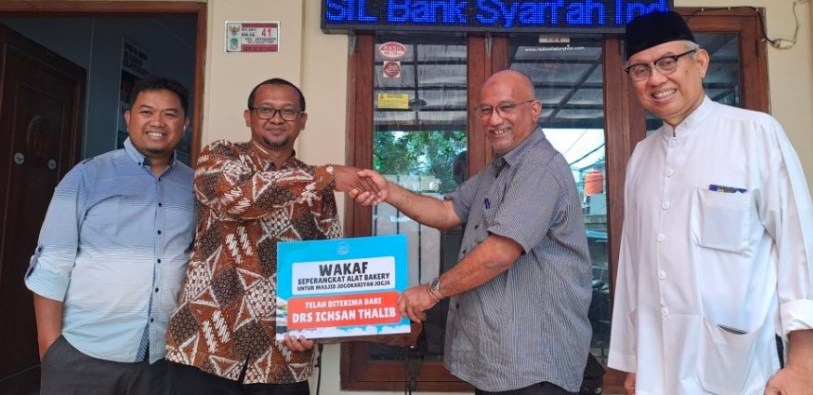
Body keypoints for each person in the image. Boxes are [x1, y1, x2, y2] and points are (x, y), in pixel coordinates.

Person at [608, 10, 813, 395]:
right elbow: (634, 267)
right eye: (641, 70)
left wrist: (803, 366)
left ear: (700, 62)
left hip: (741, 371)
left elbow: (801, 251)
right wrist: (634, 360)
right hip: (658, 372)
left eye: (667, 62)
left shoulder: (755, 134)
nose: (656, 79)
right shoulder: (641, 157)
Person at [352, 69, 593, 395]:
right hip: (501, 361)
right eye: (486, 110)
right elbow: (446, 212)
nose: (495, 120)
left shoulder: (538, 167)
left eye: (506, 107)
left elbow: (498, 254)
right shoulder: (497, 170)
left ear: (533, 110)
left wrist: (431, 291)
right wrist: (388, 191)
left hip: (534, 365)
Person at [164, 77, 375, 395]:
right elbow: (239, 197)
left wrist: (315, 325)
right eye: (266, 109)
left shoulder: (319, 190)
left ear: (302, 121)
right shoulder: (218, 158)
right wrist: (327, 175)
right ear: (248, 116)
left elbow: (328, 265)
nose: (277, 119)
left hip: (282, 359)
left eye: (288, 111)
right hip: (203, 348)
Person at [24, 76, 195, 395]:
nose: (157, 122)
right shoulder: (87, 176)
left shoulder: (195, 187)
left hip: (160, 362)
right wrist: (51, 349)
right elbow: (51, 264)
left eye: (170, 114)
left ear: (184, 123)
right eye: (146, 111)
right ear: (129, 118)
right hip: (83, 356)